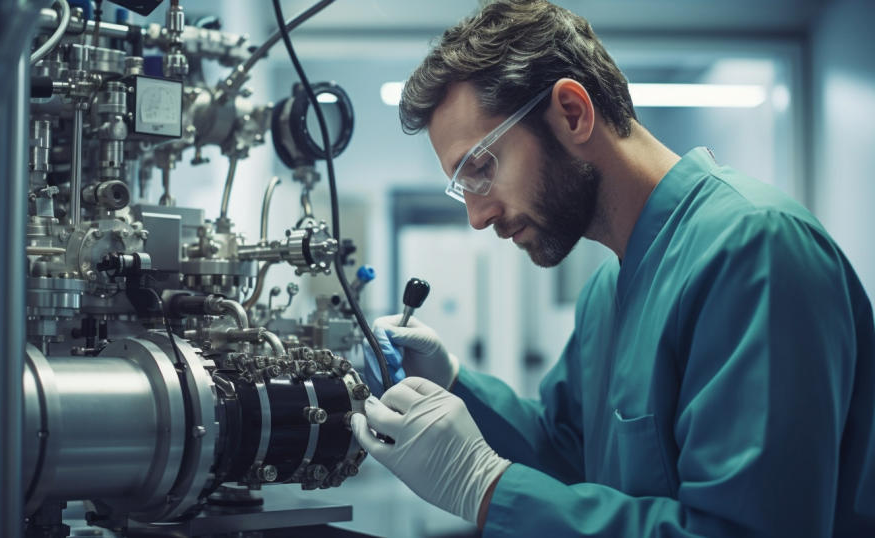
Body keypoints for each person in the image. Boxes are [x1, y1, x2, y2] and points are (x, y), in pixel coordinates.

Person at [348, 0, 875, 536]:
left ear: (572, 113)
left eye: (481, 169)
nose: (479, 217)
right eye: (462, 188)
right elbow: (565, 450)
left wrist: (483, 485)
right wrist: (454, 384)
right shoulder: (608, 287)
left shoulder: (756, 250)